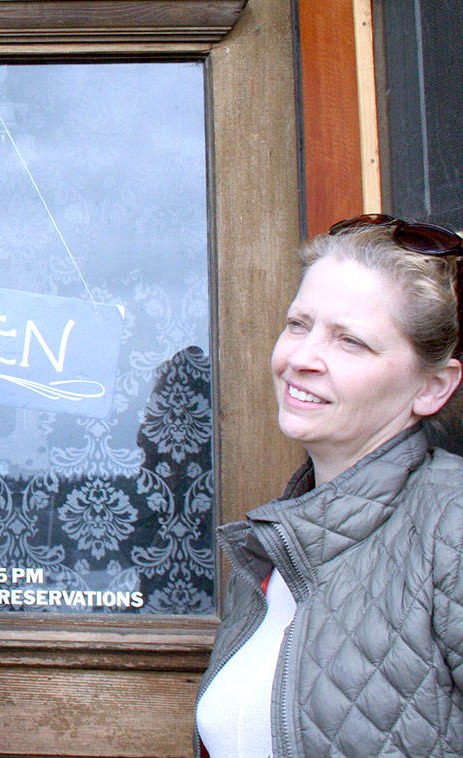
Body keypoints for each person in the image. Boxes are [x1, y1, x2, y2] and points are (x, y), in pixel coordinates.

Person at [195, 213, 463, 756]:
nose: (299, 359)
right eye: (298, 324)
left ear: (433, 387)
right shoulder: (274, 549)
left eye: (351, 342)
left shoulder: (451, 524)